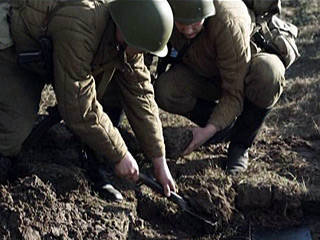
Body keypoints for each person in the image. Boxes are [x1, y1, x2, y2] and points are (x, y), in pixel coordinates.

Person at [0, 0, 176, 196]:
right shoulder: (81, 26)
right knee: (11, 135)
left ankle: (91, 154)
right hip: (17, 38)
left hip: (52, 49)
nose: (141, 54)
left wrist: (159, 159)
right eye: (141, 48)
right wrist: (120, 154)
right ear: (126, 31)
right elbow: (78, 105)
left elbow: (140, 92)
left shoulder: (128, 29)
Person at [154, 0, 286, 174]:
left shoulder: (228, 22)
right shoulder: (163, 10)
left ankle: (240, 144)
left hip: (242, 68)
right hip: (203, 68)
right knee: (166, 90)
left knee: (269, 74)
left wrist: (206, 131)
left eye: (194, 23)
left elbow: (233, 94)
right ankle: (224, 130)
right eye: (181, 23)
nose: (187, 30)